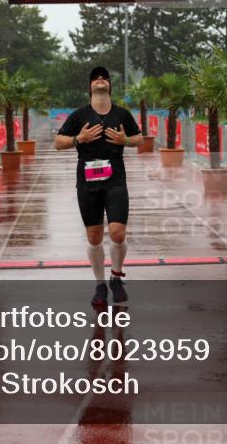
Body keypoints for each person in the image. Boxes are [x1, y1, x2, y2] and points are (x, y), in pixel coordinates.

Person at [55, 66, 143, 306]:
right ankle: (100, 284)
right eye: (95, 78)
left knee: (117, 232)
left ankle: (116, 276)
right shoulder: (79, 115)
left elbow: (139, 138)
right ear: (90, 88)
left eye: (105, 77)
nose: (100, 79)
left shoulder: (122, 114)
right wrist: (78, 139)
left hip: (115, 178)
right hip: (87, 182)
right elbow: (57, 142)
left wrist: (125, 140)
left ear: (110, 86)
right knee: (94, 236)